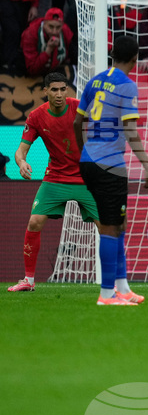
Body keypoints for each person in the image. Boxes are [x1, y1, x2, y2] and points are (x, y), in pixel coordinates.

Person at [73, 36, 148, 306]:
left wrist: (85, 152)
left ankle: (123, 288)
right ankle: (107, 294)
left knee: (118, 223)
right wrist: (147, 165)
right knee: (110, 227)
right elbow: (131, 132)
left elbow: (78, 121)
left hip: (89, 160)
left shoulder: (94, 81)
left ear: (112, 54)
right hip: (110, 164)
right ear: (135, 59)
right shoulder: (127, 85)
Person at [7, 73, 100, 292]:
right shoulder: (36, 117)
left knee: (107, 227)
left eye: (63, 89)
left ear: (67, 90)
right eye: (54, 90)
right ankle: (28, 280)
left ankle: (117, 282)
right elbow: (21, 150)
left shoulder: (80, 108)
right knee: (34, 223)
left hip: (86, 178)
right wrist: (22, 163)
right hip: (55, 178)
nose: (59, 94)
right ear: (45, 91)